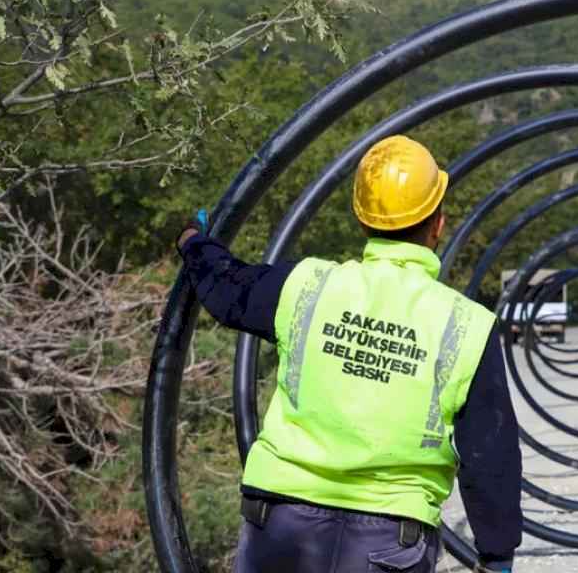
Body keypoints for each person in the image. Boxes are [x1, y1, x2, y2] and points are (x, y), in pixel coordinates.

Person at [175, 135, 522, 573]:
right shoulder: (467, 324)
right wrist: (496, 555)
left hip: (282, 524)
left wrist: (193, 242)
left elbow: (226, 289)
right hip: (390, 538)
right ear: (438, 225)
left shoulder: (308, 285)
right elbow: (490, 454)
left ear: (361, 221)